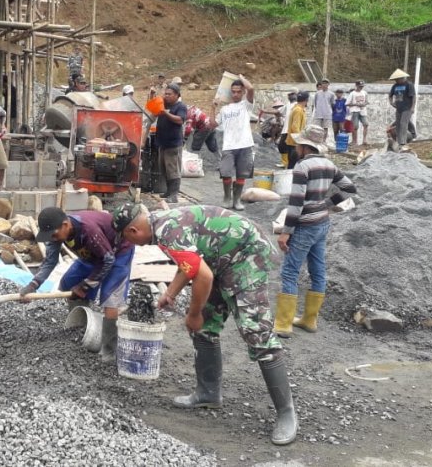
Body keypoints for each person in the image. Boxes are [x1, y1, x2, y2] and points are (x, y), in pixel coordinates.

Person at [112, 202, 297, 446]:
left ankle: (286, 414)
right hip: (220, 259)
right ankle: (208, 393)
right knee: (206, 328)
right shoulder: (160, 226)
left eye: (126, 238)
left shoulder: (168, 231)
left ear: (133, 231)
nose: (129, 243)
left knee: (256, 332)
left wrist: (193, 313)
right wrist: (171, 293)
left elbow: (203, 276)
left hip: (245, 257)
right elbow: (190, 265)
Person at [273, 125, 357, 338]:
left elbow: (296, 203)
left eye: (298, 145)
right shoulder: (329, 164)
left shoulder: (302, 167)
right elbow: (350, 188)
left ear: (303, 146)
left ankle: (283, 324)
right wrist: (325, 204)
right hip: (322, 223)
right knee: (317, 270)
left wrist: (286, 231)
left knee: (290, 272)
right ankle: (310, 320)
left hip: (304, 225)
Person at [21, 207, 134, 362]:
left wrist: (85, 286)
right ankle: (82, 326)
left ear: (66, 225)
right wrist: (33, 285)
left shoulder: (88, 230)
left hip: (118, 252)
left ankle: (109, 350)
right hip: (93, 255)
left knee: (110, 299)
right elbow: (50, 262)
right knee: (69, 282)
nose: (53, 239)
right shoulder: (56, 235)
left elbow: (108, 260)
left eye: (54, 235)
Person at [213, 76, 255, 210]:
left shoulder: (246, 105)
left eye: (238, 91)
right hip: (229, 146)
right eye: (233, 91)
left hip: (245, 144)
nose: (236, 94)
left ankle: (237, 200)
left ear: (242, 92)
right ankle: (227, 198)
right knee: (225, 172)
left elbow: (251, 88)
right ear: (230, 92)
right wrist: (213, 108)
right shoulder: (225, 109)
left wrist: (241, 77)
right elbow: (212, 124)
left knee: (241, 174)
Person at [155, 83, 187, 203]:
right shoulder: (165, 104)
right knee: (164, 168)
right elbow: (152, 106)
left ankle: (174, 195)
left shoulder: (180, 107)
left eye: (169, 94)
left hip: (173, 144)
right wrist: (153, 95)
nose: (166, 96)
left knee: (173, 170)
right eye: (166, 93)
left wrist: (166, 113)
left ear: (177, 95)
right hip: (163, 143)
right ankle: (169, 191)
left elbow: (180, 120)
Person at [388, 69, 415, 152]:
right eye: (395, 80)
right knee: (399, 125)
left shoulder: (409, 85)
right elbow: (390, 95)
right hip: (398, 108)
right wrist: (391, 102)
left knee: (404, 123)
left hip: (407, 108)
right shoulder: (395, 86)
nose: (396, 81)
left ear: (402, 78)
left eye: (397, 79)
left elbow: (413, 96)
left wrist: (412, 107)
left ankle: (403, 142)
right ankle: (399, 142)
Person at [284, 91, 308, 169]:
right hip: (295, 143)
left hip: (292, 141)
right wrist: (300, 141)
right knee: (294, 165)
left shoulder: (297, 108)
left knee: (292, 164)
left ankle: (290, 180)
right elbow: (295, 127)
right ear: (306, 100)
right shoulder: (298, 110)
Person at [277, 88, 298, 166]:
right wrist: (265, 111)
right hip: (285, 129)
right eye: (289, 95)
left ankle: (289, 165)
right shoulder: (288, 105)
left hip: (292, 130)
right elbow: (278, 111)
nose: (290, 96)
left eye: (292, 94)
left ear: (296, 95)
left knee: (290, 149)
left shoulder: (297, 105)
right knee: (282, 146)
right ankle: (285, 163)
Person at [348, 80, 369, 146]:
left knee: (366, 124)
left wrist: (364, 104)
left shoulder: (365, 93)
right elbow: (348, 103)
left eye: (362, 86)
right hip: (354, 111)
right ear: (356, 86)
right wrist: (355, 104)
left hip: (363, 111)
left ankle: (364, 140)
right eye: (360, 86)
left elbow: (367, 101)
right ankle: (355, 141)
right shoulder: (352, 94)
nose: (361, 88)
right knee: (355, 126)